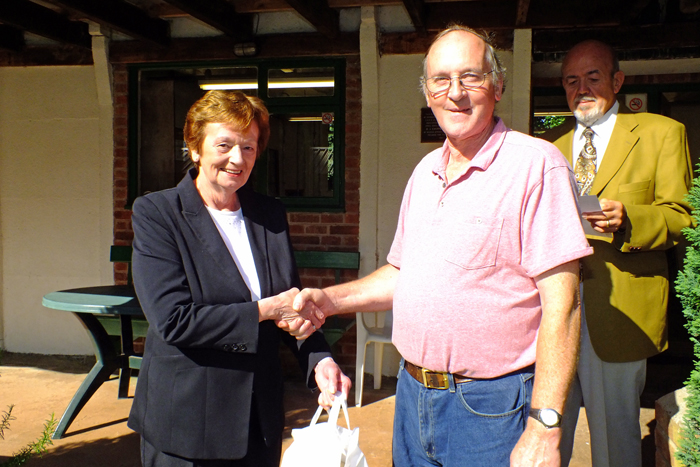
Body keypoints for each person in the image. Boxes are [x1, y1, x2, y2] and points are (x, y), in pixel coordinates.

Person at [294, 24, 593, 466]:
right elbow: (402, 273)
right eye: (441, 80)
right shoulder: (425, 172)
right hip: (412, 395)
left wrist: (545, 426)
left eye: (470, 76)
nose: (455, 92)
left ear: (497, 85)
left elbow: (563, 306)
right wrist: (328, 299)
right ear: (428, 93)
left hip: (492, 407)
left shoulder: (537, 166)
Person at [127, 90, 351, 467]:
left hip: (258, 423)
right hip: (186, 425)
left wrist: (320, 361)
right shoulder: (158, 213)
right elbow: (173, 320)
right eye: (225, 144)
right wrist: (263, 310)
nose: (237, 158)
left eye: (248, 147)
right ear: (195, 148)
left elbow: (289, 307)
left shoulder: (269, 214)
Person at [547, 40, 694, 467]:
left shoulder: (661, 133)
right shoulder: (549, 148)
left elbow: (684, 219)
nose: (582, 88)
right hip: (553, 313)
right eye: (572, 80)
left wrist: (630, 218)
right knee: (549, 434)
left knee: (615, 445)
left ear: (617, 81)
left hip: (620, 315)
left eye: (593, 77)